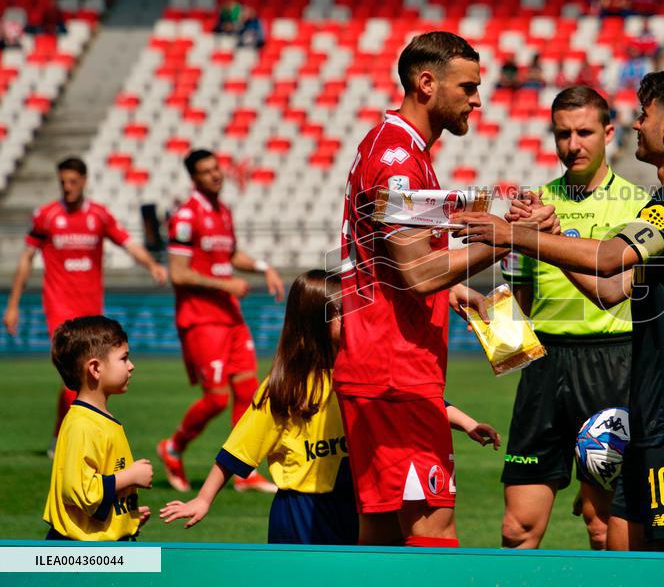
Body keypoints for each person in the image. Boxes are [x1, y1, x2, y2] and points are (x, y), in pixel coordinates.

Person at [456, 68, 664, 553]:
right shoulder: (554, 201)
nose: (636, 126)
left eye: (643, 116)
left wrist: (513, 235)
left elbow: (609, 258)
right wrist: (541, 246)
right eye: (561, 132)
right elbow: (611, 289)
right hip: (614, 393)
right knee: (610, 550)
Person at [335, 31, 555, 547]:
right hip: (395, 373)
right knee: (434, 541)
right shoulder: (396, 159)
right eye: (469, 87)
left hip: (386, 367)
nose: (478, 99)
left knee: (384, 539)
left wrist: (455, 291)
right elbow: (418, 274)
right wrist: (515, 238)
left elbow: (400, 262)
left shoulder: (399, 150)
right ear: (426, 82)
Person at [160, 270, 501, 543]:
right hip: (300, 511)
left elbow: (417, 404)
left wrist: (469, 424)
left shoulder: (364, 369)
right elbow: (236, 453)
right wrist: (203, 500)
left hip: (356, 503)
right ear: (314, 321)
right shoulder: (283, 388)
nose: (355, 317)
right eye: (343, 311)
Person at [498, 86, 648, 550]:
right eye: (563, 134)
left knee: (602, 524)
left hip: (613, 364)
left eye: (584, 132)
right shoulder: (531, 204)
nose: (573, 144)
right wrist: (490, 324)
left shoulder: (639, 204)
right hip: (545, 367)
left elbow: (628, 294)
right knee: (516, 528)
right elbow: (517, 303)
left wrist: (555, 237)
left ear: (608, 133)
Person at [3, 157, 166, 453]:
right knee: (79, 379)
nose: (67, 188)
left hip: (91, 313)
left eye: (73, 182)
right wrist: (13, 304)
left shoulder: (99, 216)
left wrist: (152, 265)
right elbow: (26, 259)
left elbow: (128, 243)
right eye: (63, 182)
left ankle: (59, 437)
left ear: (84, 181)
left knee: (80, 383)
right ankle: (74, 443)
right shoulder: (47, 216)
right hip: (59, 311)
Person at [157, 149, 285, 494]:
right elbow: (178, 273)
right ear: (194, 178)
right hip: (201, 318)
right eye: (206, 171)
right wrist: (224, 284)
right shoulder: (185, 217)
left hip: (230, 317)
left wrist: (263, 267)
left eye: (217, 168)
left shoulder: (223, 212)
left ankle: (243, 473)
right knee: (215, 399)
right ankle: (173, 447)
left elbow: (228, 254)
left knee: (248, 391)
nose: (215, 175)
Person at [44, 316, 153, 541]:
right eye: (124, 358)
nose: (131, 366)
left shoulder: (100, 419)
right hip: (80, 556)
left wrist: (122, 517)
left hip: (99, 550)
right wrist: (131, 476)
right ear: (95, 368)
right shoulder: (82, 424)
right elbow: (80, 490)